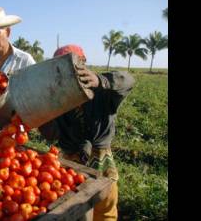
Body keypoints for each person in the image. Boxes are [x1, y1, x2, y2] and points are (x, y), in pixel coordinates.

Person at [38, 44, 135, 221]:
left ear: (83, 63)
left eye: (72, 67)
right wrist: (42, 122)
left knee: (104, 210)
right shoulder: (59, 98)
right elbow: (53, 133)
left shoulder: (102, 91)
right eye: (59, 71)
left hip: (100, 159)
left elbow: (128, 80)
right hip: (70, 163)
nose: (67, 75)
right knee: (75, 210)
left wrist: (101, 81)